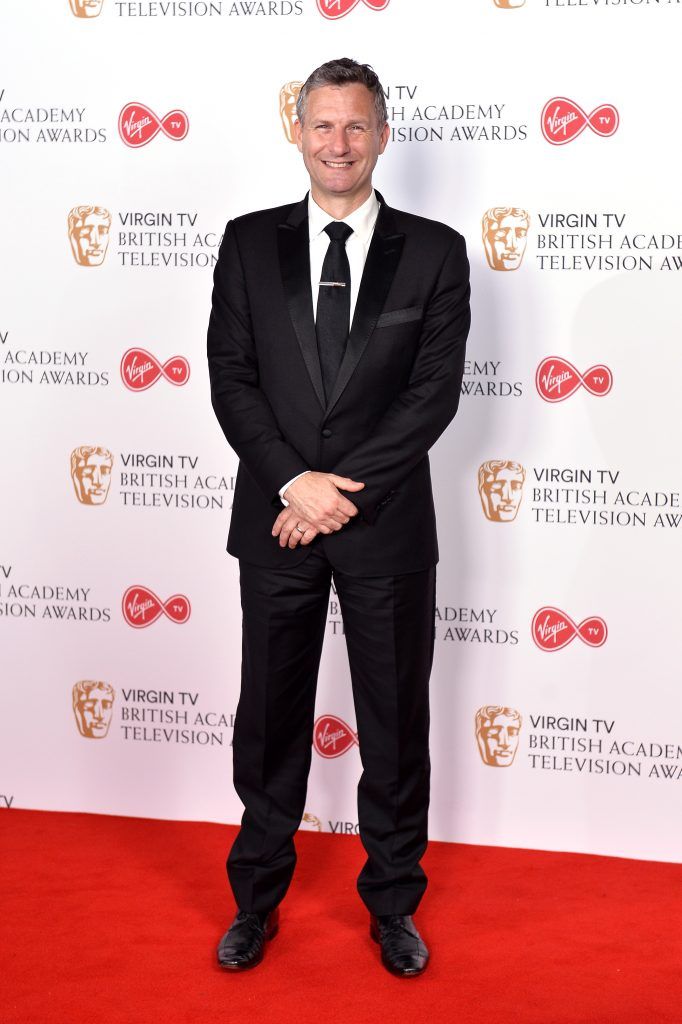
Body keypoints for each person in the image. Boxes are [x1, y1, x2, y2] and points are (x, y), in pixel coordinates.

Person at [207, 57, 471, 977]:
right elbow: (232, 382)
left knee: (394, 725)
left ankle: (394, 907)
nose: (339, 144)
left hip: (385, 524)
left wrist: (333, 492)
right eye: (322, 125)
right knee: (269, 720)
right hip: (275, 520)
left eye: (356, 127)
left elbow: (432, 398)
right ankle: (254, 903)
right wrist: (293, 484)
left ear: (383, 134)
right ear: (298, 132)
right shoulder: (245, 243)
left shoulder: (435, 252)